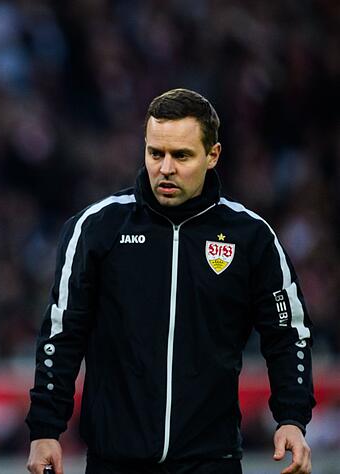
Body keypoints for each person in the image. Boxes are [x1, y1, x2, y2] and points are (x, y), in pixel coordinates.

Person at [25, 89, 315, 474]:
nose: (165, 167)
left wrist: (292, 418)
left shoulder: (251, 237)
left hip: (212, 460)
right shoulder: (96, 229)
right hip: (115, 461)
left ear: (213, 156)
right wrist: (45, 429)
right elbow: (63, 333)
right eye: (155, 153)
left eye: (181, 156)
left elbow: (287, 333)